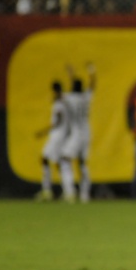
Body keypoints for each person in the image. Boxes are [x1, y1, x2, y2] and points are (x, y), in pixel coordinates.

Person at [61, 62, 95, 203]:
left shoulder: (69, 97)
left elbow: (66, 92)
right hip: (86, 132)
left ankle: (69, 191)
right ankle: (84, 194)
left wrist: (70, 73)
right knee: (82, 163)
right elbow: (92, 86)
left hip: (76, 133)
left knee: (65, 160)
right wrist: (92, 72)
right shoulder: (86, 97)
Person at [35, 81, 72, 202]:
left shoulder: (59, 104)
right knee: (61, 163)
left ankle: (47, 190)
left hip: (57, 136)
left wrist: (43, 132)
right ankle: (68, 192)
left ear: (54, 90)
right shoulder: (65, 99)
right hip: (64, 135)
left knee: (45, 159)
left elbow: (58, 121)